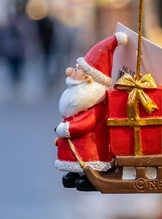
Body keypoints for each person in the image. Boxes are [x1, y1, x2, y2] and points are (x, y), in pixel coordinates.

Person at [54, 32, 127, 191]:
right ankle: (75, 173)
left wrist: (66, 129)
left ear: (89, 79)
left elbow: (87, 123)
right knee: (75, 159)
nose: (70, 71)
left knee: (86, 160)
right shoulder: (79, 99)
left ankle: (89, 177)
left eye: (76, 69)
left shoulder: (96, 106)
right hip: (74, 144)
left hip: (90, 147)